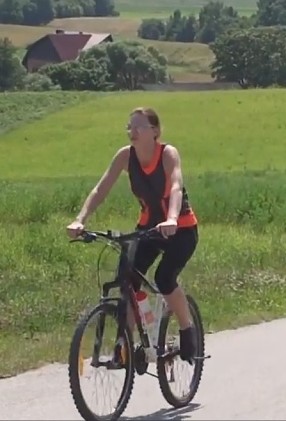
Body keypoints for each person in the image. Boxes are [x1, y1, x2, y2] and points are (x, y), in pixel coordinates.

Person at [65, 107, 198, 362]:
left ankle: (186, 328)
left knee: (164, 277)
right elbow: (100, 189)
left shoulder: (167, 153)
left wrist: (171, 218)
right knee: (127, 278)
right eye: (130, 126)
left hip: (181, 228)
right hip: (149, 229)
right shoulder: (125, 157)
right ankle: (123, 345)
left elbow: (176, 186)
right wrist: (80, 220)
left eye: (139, 126)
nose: (132, 131)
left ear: (155, 131)